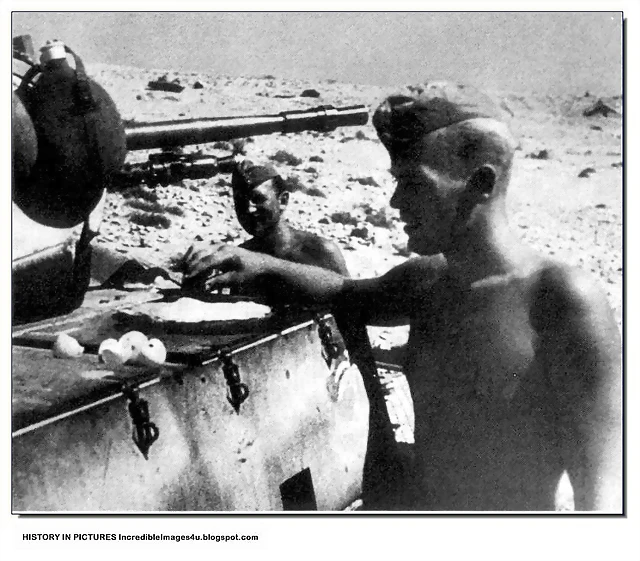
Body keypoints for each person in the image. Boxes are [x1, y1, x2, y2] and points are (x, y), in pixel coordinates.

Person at [182, 82, 622, 511]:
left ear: (480, 184)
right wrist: (255, 262)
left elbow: (603, 496)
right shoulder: (430, 281)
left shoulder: (561, 300)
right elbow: (344, 292)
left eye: (413, 183)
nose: (394, 202)